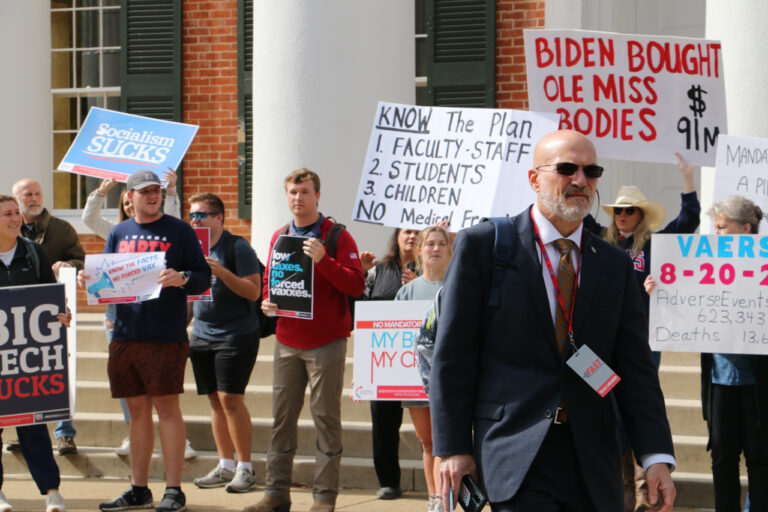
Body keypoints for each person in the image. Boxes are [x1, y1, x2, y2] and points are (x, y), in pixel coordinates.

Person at [431, 129, 677, 512]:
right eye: (567, 169)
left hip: (592, 459)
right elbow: (453, 358)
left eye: (591, 171)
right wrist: (454, 448)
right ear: (534, 178)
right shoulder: (484, 247)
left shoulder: (613, 265)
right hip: (515, 451)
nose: (581, 181)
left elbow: (635, 368)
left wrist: (655, 453)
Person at [77, 170, 211, 512]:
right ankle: (138, 488)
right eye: (145, 191)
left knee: (167, 410)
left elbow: (202, 276)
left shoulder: (179, 229)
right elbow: (106, 279)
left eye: (157, 191)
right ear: (130, 196)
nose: (153, 196)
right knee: (136, 414)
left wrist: (181, 278)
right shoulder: (120, 231)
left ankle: (173, 490)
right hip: (124, 335)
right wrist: (88, 281)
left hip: (165, 335)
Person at [583, 154, 700, 512]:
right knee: (610, 402)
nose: (622, 216)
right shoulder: (598, 240)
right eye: (618, 210)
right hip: (600, 343)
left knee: (636, 399)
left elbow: (690, 220)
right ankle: (622, 492)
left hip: (640, 341)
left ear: (641, 215)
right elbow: (571, 209)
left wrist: (687, 178)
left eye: (630, 211)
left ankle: (642, 491)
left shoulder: (654, 245)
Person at [245, 168, 364, 512]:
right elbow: (271, 278)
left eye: (305, 192)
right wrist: (267, 302)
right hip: (287, 341)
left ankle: (324, 498)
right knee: (282, 420)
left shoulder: (337, 237)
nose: (298, 198)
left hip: (326, 342)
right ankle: (276, 494)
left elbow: (356, 285)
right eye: (293, 193)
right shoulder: (279, 236)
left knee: (326, 419)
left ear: (318, 196)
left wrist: (324, 261)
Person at [646, 195, 768, 512]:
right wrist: (659, 292)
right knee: (723, 459)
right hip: (719, 382)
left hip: (758, 385)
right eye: (714, 228)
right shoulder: (705, 264)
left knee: (761, 459)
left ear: (746, 228)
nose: (715, 235)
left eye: (722, 228)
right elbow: (685, 303)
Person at [187, 193, 261, 493]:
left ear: (219, 217)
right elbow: (192, 295)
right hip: (202, 333)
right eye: (192, 216)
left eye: (201, 215)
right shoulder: (193, 249)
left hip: (236, 333)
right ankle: (225, 465)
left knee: (231, 399)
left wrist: (222, 272)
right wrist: (182, 328)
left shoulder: (237, 247)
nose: (195, 221)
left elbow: (254, 291)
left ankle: (246, 468)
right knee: (214, 401)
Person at [0, 194, 70, 512]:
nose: (16, 219)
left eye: (16, 213)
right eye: (7, 214)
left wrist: (62, 314)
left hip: (28, 362)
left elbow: (50, 296)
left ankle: (52, 491)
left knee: (34, 426)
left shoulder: (33, 251)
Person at [11, 178, 85, 456]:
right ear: (17, 200)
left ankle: (64, 433)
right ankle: (22, 429)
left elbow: (80, 260)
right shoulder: (9, 227)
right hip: (16, 316)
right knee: (20, 374)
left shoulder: (61, 229)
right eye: (27, 194)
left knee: (58, 371)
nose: (34, 198)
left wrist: (70, 265)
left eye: (38, 193)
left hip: (52, 314)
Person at [395, 226, 452, 512]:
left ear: (450, 251)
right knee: (427, 441)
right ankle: (434, 498)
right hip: (415, 380)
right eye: (430, 243)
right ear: (420, 249)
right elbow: (391, 339)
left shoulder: (459, 288)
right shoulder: (406, 292)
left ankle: (446, 498)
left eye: (442, 243)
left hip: (451, 380)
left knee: (447, 441)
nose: (436, 248)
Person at [359, 227, 419, 500]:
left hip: (420, 360)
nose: (412, 236)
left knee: (429, 427)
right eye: (407, 231)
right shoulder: (378, 271)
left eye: (418, 232)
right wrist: (360, 272)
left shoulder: (435, 269)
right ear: (396, 237)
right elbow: (360, 307)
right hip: (385, 359)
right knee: (384, 423)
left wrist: (419, 286)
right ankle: (388, 481)